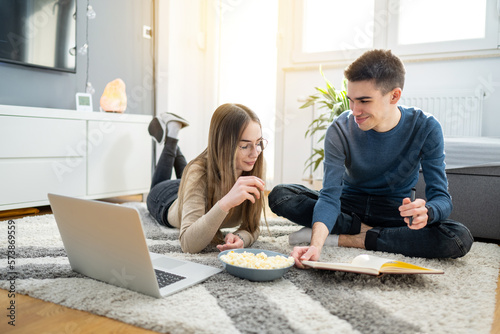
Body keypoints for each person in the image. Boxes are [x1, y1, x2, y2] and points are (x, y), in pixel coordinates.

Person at [268, 49, 473, 268]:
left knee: (458, 237)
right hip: (347, 207)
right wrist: (316, 247)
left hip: (394, 212)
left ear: (394, 96)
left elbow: (441, 198)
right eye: (351, 101)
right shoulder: (340, 129)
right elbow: (329, 196)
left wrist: (428, 212)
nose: (355, 111)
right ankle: (380, 236)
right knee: (281, 195)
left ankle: (346, 238)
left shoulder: (426, 127)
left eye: (364, 101)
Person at [146, 103, 268, 254]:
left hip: (193, 185)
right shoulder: (198, 173)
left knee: (192, 172)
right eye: (245, 146)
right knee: (175, 178)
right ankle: (172, 138)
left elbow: (253, 226)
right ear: (224, 144)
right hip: (165, 199)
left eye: (258, 143)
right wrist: (226, 202)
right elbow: (188, 244)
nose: (255, 153)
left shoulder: (255, 165)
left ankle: (173, 140)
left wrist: (240, 238)